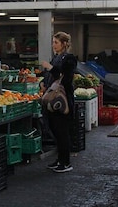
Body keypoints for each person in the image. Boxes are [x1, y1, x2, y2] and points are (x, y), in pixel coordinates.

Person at [40, 31, 77, 173]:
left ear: (64, 44)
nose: (53, 45)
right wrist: (43, 83)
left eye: (56, 42)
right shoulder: (56, 58)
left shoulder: (69, 59)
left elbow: (65, 79)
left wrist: (50, 68)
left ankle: (66, 162)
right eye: (53, 42)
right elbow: (50, 76)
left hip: (63, 101)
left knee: (62, 132)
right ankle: (60, 160)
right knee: (56, 130)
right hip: (53, 101)